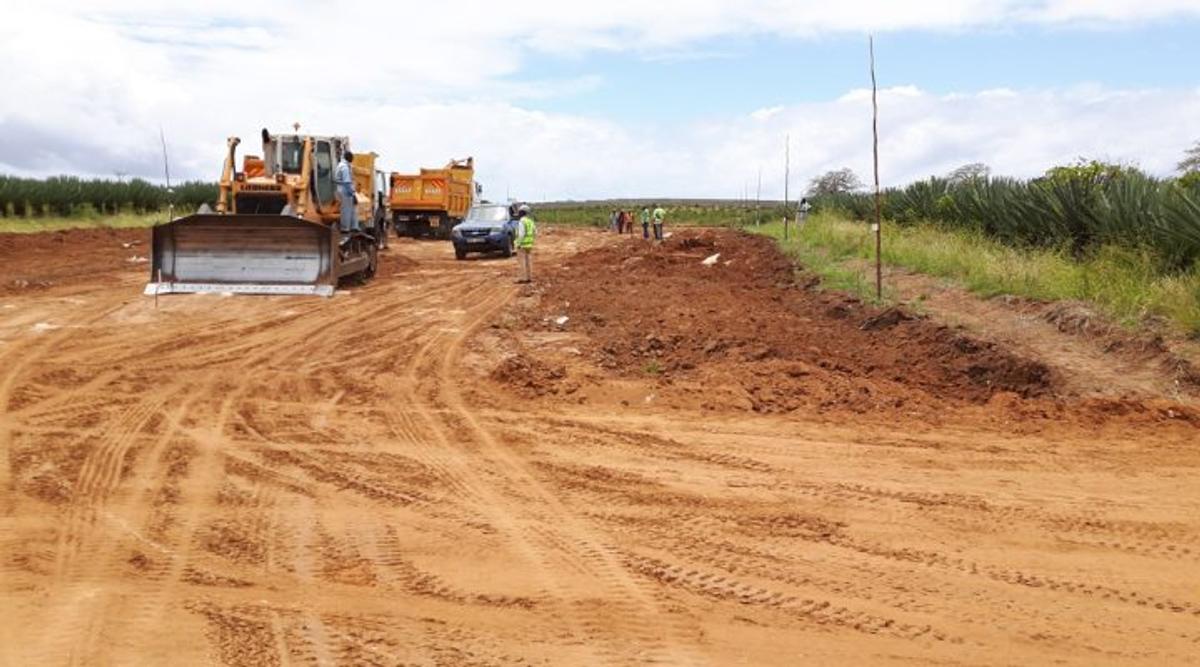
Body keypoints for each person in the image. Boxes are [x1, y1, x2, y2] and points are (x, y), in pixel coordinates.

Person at [335, 150, 358, 237]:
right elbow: (347, 182)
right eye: (352, 157)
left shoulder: (342, 165)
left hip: (342, 189)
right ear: (349, 157)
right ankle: (345, 229)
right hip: (345, 190)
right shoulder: (344, 167)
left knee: (351, 209)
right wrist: (352, 193)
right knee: (346, 210)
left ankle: (353, 227)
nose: (352, 159)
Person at [515, 203, 536, 283]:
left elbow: (521, 234)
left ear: (521, 212)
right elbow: (535, 232)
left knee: (522, 262)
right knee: (529, 261)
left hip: (522, 245)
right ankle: (529, 277)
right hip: (529, 245)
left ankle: (523, 278)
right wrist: (531, 240)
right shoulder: (530, 221)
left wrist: (518, 244)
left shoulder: (522, 221)